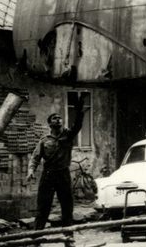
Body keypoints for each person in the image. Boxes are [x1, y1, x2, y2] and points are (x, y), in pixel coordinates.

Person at [27, 93, 86, 230]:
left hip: (63, 174)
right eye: (55, 118)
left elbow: (77, 125)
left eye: (59, 118)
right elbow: (35, 157)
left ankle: (68, 238)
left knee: (67, 207)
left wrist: (79, 112)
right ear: (50, 123)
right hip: (48, 175)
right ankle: (37, 239)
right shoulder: (44, 140)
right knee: (43, 207)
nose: (58, 119)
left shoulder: (68, 135)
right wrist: (31, 171)